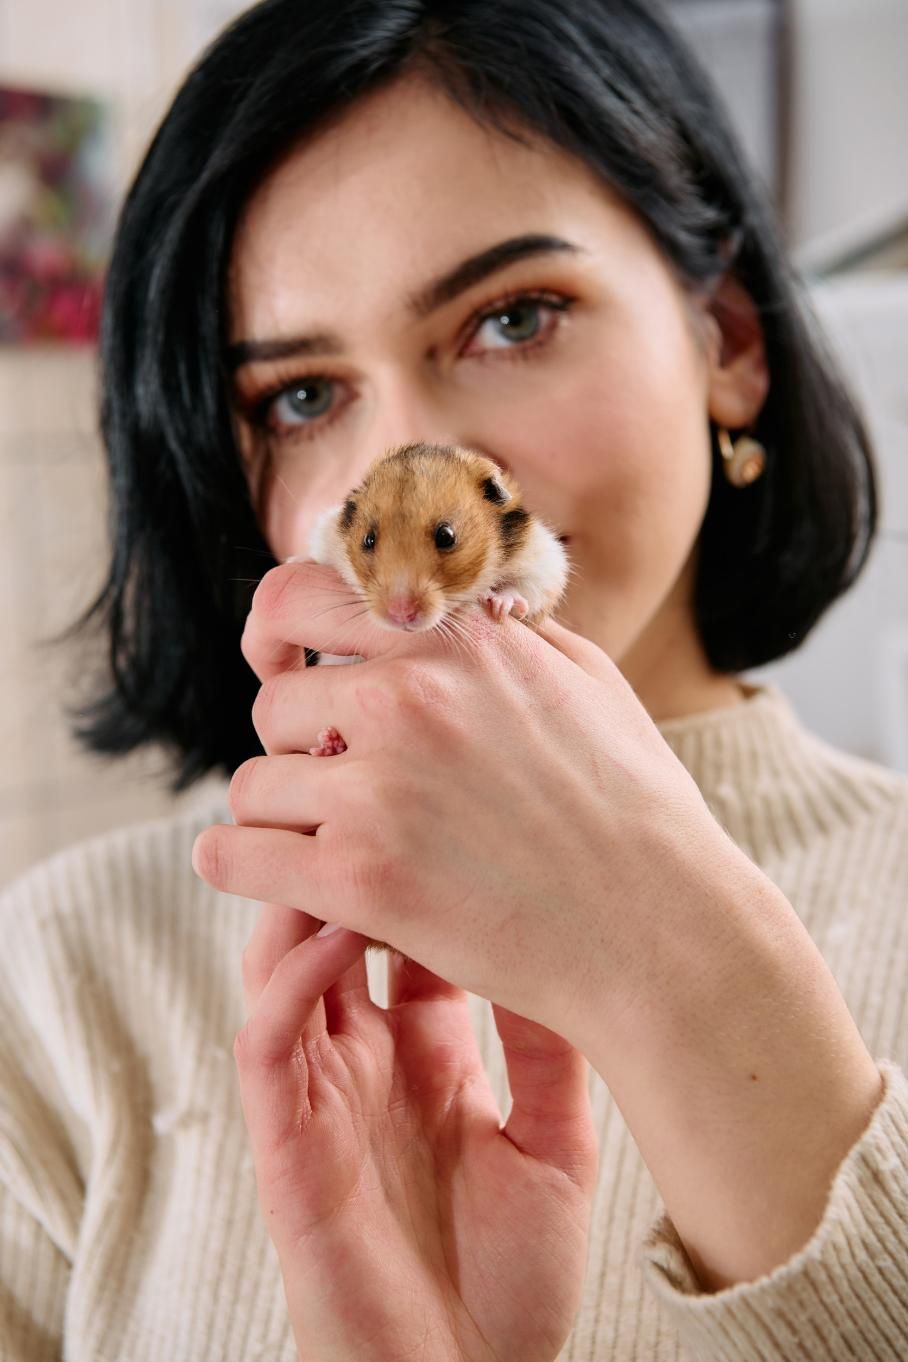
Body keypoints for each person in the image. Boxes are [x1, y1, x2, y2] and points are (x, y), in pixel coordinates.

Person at [2, 0, 907, 1358]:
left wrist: (680, 961)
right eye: (301, 397)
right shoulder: (64, 981)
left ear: (728, 339)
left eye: (515, 317)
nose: (406, 462)